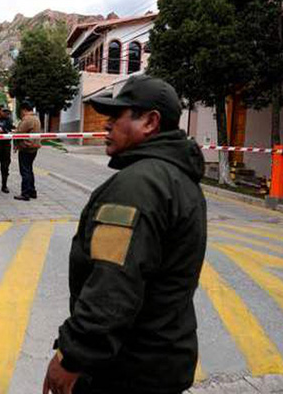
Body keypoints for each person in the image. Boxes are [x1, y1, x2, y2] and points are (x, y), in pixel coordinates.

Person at [42, 75, 207, 394]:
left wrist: (72, 356)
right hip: (161, 362)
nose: (107, 124)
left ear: (150, 122)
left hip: (126, 370)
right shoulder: (179, 180)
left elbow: (112, 286)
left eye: (117, 115)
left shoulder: (137, 185)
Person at [14, 101, 41, 201]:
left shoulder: (28, 119)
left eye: (21, 110)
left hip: (26, 147)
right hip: (34, 148)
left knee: (25, 171)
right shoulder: (36, 118)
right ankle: (32, 191)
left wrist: (13, 132)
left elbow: (19, 132)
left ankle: (25, 194)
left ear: (24, 109)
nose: (21, 113)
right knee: (29, 170)